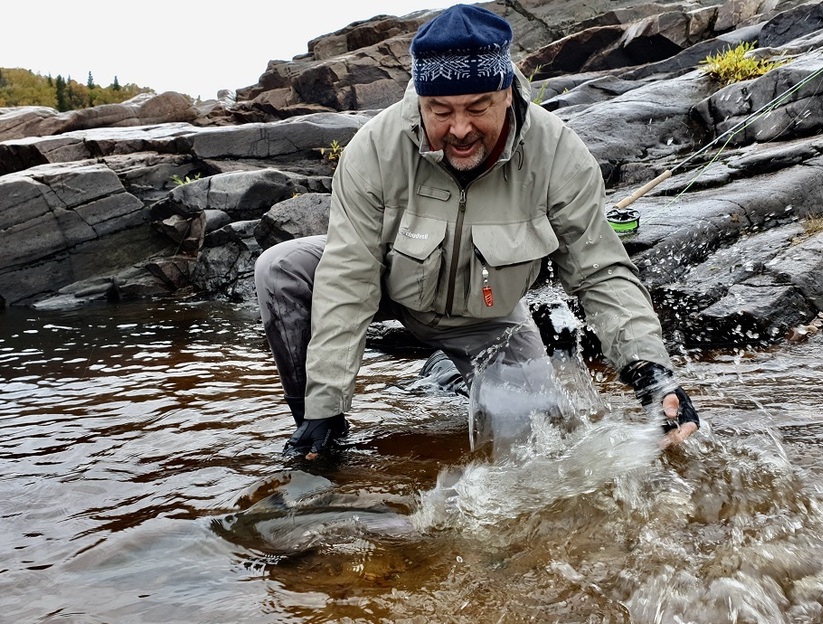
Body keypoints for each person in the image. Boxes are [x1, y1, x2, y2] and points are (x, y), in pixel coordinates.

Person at [254, 3, 700, 460]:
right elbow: (349, 273)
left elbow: (600, 271)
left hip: (487, 322)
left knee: (535, 447)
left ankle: (445, 375)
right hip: (390, 284)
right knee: (281, 267)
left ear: (507, 93)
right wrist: (323, 407)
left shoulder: (559, 155)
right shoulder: (374, 148)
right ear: (420, 100)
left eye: (477, 107)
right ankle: (321, 434)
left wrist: (651, 373)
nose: (460, 129)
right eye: (440, 110)